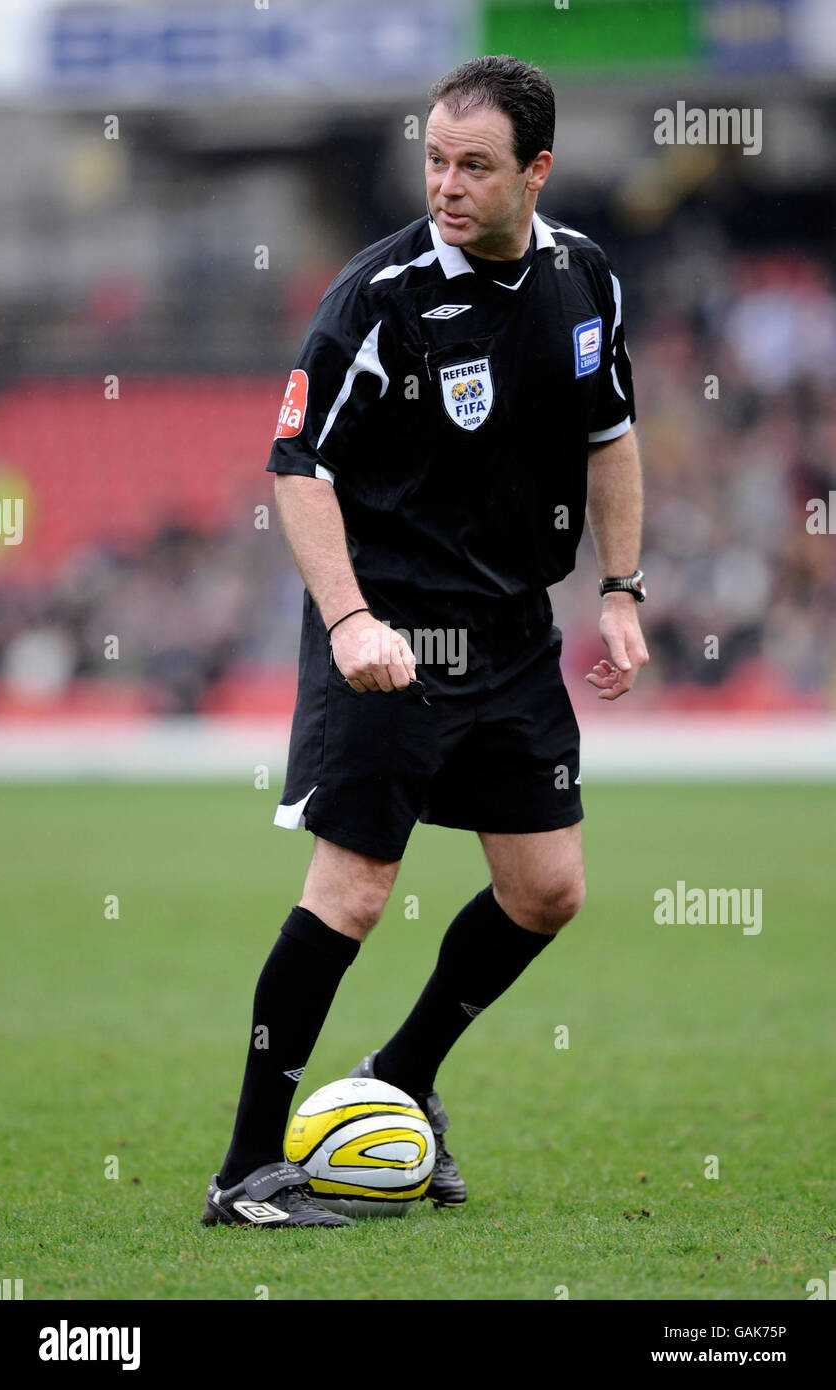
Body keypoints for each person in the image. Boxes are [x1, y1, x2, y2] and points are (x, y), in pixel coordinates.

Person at [202, 53, 649, 1230]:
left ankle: (399, 1079)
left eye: (474, 166)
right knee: (353, 892)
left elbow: (610, 435)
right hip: (388, 635)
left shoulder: (586, 280)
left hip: (508, 638)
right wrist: (349, 620)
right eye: (434, 161)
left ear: (536, 171)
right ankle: (247, 1169)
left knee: (547, 889)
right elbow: (296, 467)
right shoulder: (376, 297)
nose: (445, 185)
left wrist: (620, 587)